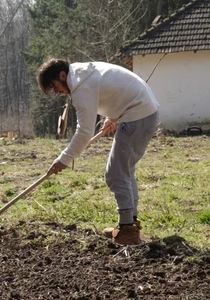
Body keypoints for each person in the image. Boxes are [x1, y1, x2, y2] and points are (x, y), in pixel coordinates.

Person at [37, 58, 160, 245]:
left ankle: (127, 229)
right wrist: (114, 116)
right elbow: (114, 90)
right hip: (142, 112)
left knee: (116, 174)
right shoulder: (83, 73)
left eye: (54, 86)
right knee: (125, 171)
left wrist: (64, 159)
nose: (57, 92)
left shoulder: (80, 87)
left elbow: (84, 132)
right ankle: (129, 224)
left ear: (62, 75)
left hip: (138, 115)